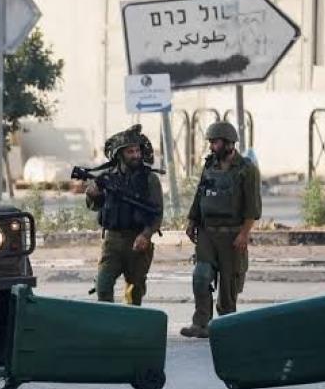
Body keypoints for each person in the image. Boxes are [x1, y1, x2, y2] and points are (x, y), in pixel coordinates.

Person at [180, 121, 261, 338]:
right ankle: (201, 323)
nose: (211, 147)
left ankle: (225, 325)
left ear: (228, 143)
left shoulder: (246, 169)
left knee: (228, 285)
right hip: (207, 233)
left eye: (214, 142)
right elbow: (200, 194)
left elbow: (252, 207)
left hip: (232, 235)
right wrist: (192, 220)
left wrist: (244, 234)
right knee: (201, 276)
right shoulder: (210, 166)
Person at [85, 124, 163, 306]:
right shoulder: (107, 177)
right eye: (130, 152)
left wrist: (146, 235)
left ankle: (132, 322)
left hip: (138, 240)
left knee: (134, 292)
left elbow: (157, 213)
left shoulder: (149, 179)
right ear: (120, 155)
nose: (135, 155)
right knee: (103, 286)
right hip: (112, 241)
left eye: (137, 151)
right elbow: (95, 205)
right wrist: (92, 194)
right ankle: (110, 321)